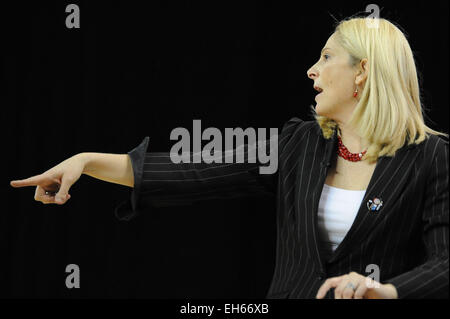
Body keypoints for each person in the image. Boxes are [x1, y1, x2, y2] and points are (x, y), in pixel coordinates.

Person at [10, 16, 449, 299]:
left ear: (363, 72)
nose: (311, 69)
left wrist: (386, 292)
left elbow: (445, 265)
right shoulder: (298, 145)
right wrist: (85, 161)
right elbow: (193, 170)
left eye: (327, 56)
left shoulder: (430, 158)